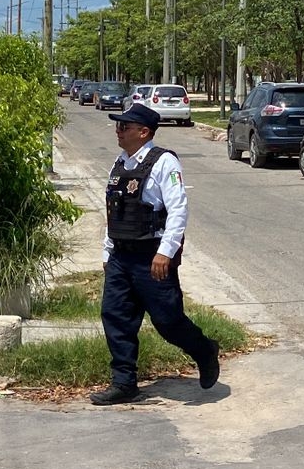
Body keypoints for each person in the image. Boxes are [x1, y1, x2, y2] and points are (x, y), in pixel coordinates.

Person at [90, 103, 219, 405]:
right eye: (118, 126)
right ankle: (124, 382)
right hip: (122, 255)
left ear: (143, 132)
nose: (118, 131)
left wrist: (165, 252)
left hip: (152, 256)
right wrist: (108, 252)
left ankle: (204, 350)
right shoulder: (120, 162)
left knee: (168, 321)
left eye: (124, 126)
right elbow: (114, 212)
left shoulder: (163, 163)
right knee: (116, 316)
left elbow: (178, 209)